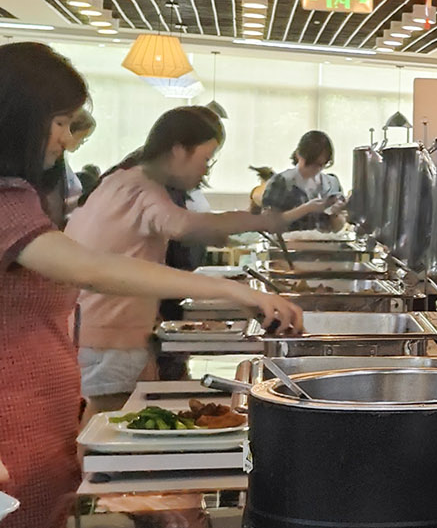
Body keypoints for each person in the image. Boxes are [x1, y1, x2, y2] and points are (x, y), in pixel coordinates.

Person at [0, 44, 301, 528]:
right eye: (60, 122)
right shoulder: (9, 201)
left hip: (43, 425)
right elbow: (96, 268)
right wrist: (233, 289)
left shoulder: (42, 193)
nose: (66, 138)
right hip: (18, 436)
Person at [67, 106, 327, 404]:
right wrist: (263, 221)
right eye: (206, 159)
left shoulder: (121, 179)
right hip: (110, 334)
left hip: (105, 328)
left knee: (112, 415)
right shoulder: (141, 188)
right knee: (109, 418)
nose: (206, 170)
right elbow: (184, 225)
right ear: (179, 151)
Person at [259, 130, 343, 231]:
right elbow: (268, 222)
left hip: (325, 241)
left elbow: (338, 227)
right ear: (298, 155)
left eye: (321, 165)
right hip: (289, 240)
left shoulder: (331, 183)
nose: (315, 169)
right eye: (311, 163)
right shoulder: (281, 182)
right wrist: (305, 209)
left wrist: (335, 213)